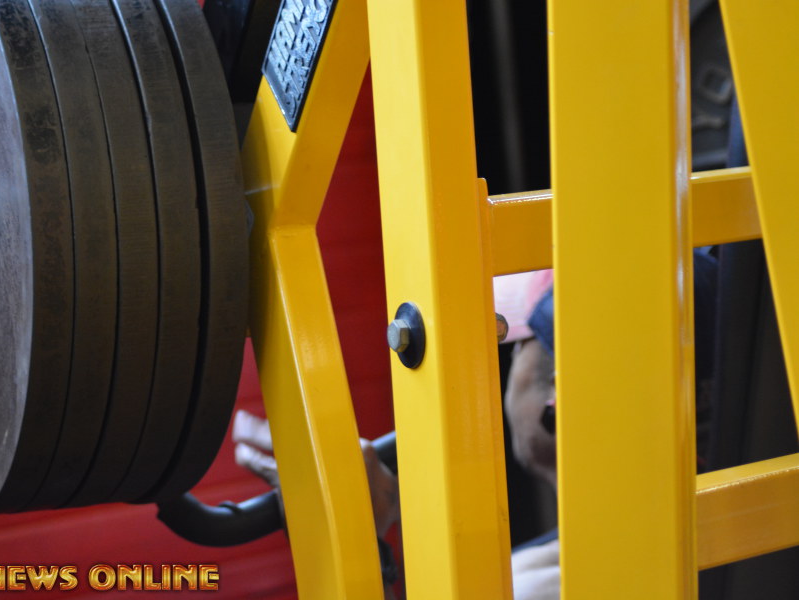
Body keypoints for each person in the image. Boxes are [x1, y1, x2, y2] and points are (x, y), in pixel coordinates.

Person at [234, 251, 717, 600]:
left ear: (560, 394)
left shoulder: (547, 588)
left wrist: (354, 549)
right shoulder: (686, 535)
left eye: (515, 349)